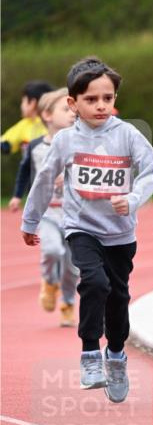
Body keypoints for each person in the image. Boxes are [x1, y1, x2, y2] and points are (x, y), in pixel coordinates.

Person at [20, 56, 153, 401]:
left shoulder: (127, 134)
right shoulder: (66, 141)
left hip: (120, 233)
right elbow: (42, 181)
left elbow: (151, 171)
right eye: (91, 99)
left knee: (118, 297)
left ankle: (115, 354)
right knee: (94, 283)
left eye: (108, 98)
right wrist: (30, 220)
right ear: (73, 103)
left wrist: (132, 197)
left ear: (115, 99)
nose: (101, 106)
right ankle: (89, 354)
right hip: (81, 227)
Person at [10, 88, 79, 326]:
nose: (72, 113)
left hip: (74, 215)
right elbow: (23, 172)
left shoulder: (80, 142)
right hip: (47, 212)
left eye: (73, 109)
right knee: (52, 250)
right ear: (47, 115)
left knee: (72, 268)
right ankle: (49, 282)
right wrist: (18, 196)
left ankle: (68, 303)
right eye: (65, 109)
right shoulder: (36, 146)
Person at [1, 80, 53, 155]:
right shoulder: (25, 124)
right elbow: (6, 143)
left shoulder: (26, 125)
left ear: (32, 103)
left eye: (23, 101)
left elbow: (5, 145)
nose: (21, 105)